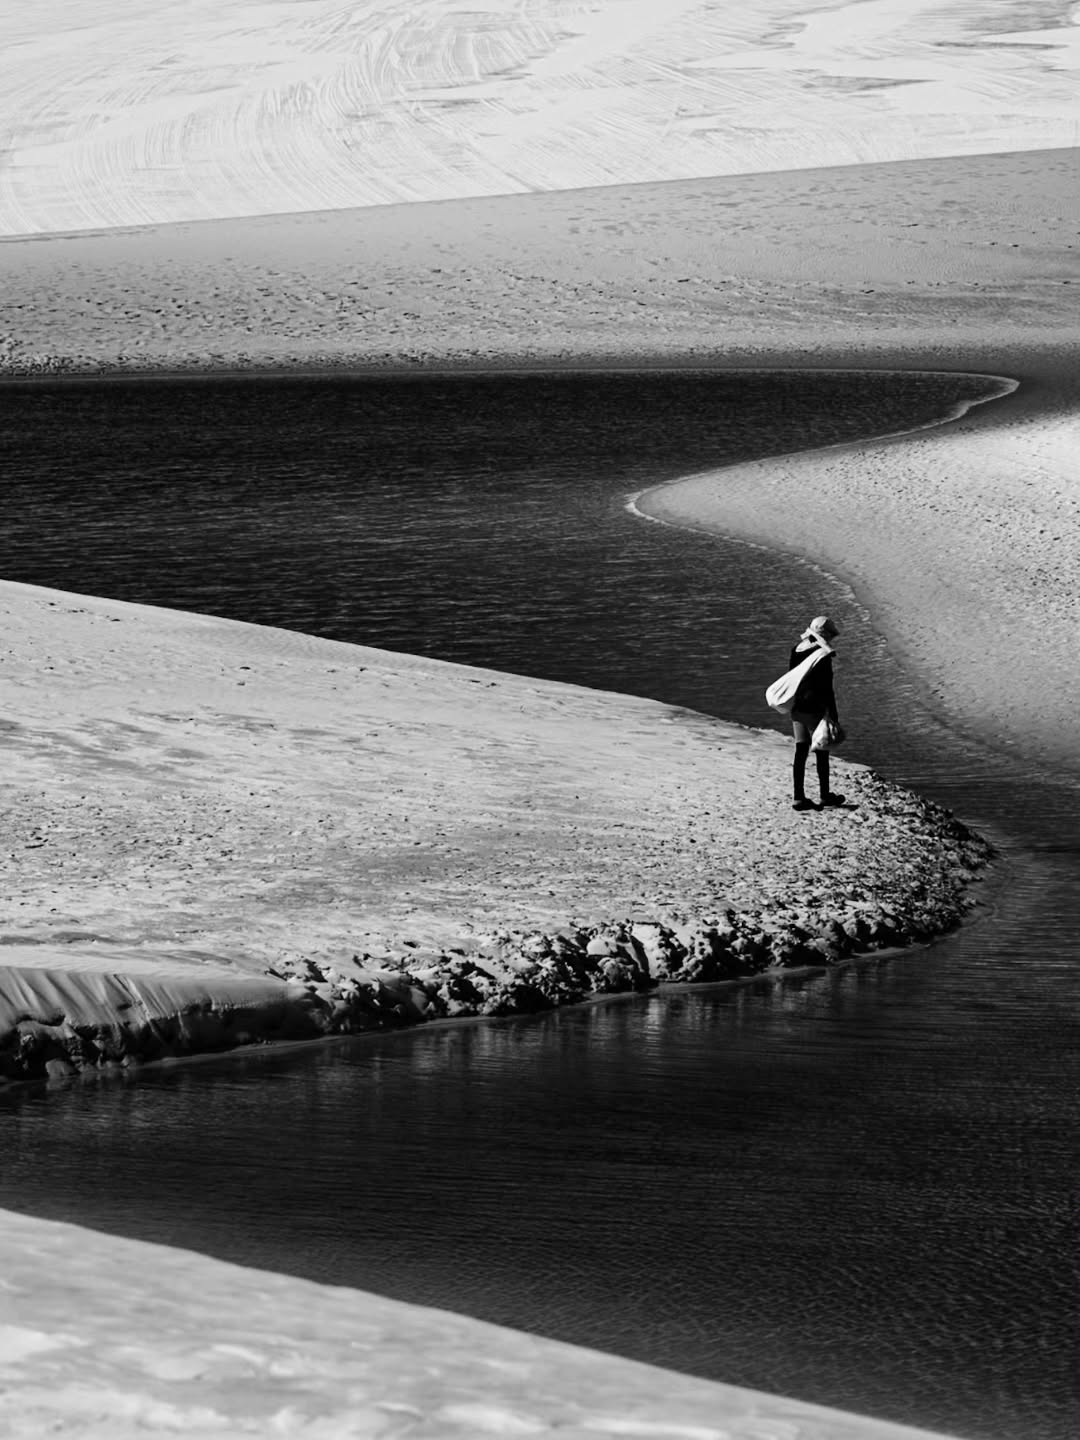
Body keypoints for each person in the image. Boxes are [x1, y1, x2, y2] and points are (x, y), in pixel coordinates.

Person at [789, 615, 845, 811]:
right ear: (826, 635)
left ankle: (798, 797)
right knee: (822, 751)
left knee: (801, 750)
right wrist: (833, 714)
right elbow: (826, 688)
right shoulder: (822, 655)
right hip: (815, 709)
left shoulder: (796, 650)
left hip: (797, 708)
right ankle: (824, 795)